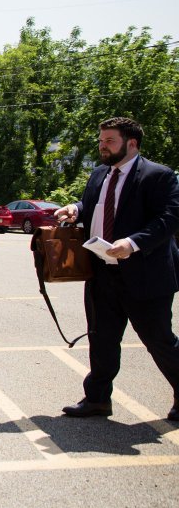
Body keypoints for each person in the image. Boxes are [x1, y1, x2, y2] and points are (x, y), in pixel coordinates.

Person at [54, 116, 179, 422]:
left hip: (145, 275)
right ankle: (97, 400)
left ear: (131, 143)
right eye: (100, 141)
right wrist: (75, 209)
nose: (102, 147)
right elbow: (91, 204)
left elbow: (169, 219)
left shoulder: (158, 176)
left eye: (109, 141)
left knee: (159, 340)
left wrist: (133, 243)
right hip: (101, 273)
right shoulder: (99, 174)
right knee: (102, 339)